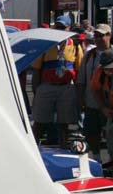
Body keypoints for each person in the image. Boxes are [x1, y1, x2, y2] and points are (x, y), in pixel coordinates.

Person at [31, 14, 83, 147]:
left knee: (64, 123)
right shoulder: (46, 44)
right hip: (47, 86)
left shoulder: (75, 46)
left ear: (69, 28)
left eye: (63, 27)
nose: (59, 30)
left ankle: (63, 148)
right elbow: (37, 68)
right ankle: (33, 147)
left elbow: (79, 70)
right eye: (57, 27)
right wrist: (36, 89)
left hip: (66, 87)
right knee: (39, 121)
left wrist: (78, 92)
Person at [76, 24, 113, 157]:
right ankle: (97, 158)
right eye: (96, 36)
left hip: (110, 103)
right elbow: (81, 79)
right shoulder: (89, 54)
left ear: (109, 36)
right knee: (91, 133)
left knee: (110, 133)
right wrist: (80, 99)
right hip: (91, 102)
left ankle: (112, 159)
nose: (97, 39)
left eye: (101, 36)